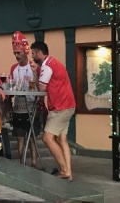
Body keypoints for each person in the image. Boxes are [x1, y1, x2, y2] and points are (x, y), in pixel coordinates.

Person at [30, 41, 76, 181]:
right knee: (62, 139)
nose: (32, 56)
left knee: (47, 138)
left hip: (60, 107)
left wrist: (35, 73)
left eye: (33, 53)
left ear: (39, 53)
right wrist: (35, 71)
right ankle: (69, 173)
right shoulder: (53, 62)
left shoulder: (47, 66)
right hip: (69, 105)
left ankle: (64, 170)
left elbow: (42, 88)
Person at [10, 31, 41, 167]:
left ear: (25, 52)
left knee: (32, 136)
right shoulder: (14, 68)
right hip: (19, 105)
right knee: (20, 136)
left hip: (33, 104)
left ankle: (34, 161)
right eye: (15, 53)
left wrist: (35, 73)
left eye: (19, 53)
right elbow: (11, 85)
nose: (17, 56)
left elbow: (40, 85)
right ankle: (22, 161)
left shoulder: (34, 67)